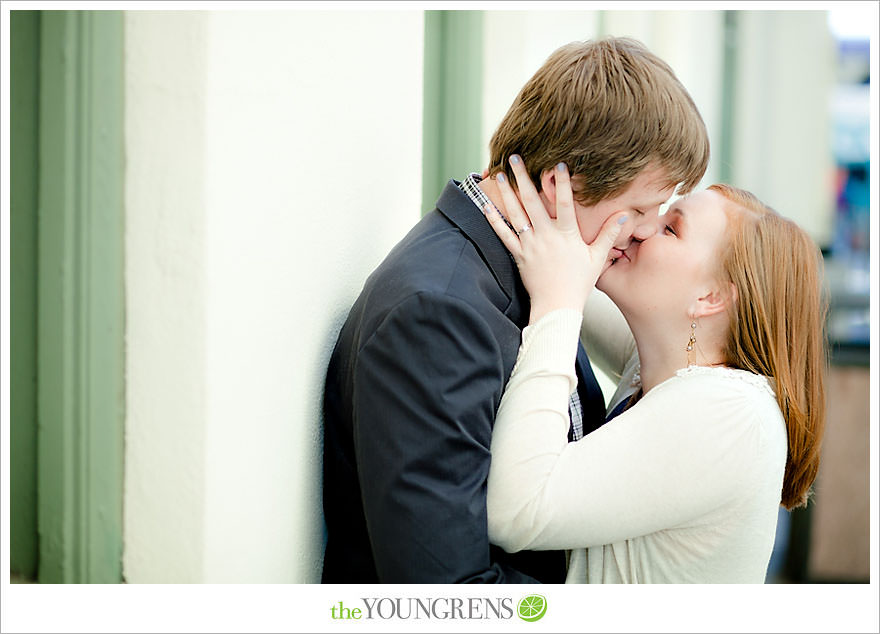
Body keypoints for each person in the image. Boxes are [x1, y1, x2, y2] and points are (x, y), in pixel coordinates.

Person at [321, 36, 710, 583]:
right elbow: (448, 596)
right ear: (561, 186)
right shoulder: (438, 316)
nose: (644, 232)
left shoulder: (543, 267)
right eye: (639, 209)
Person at [484, 155, 827, 583]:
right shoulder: (670, 363)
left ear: (711, 298)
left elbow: (516, 511)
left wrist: (557, 303)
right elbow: (564, 268)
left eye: (670, 227)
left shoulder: (727, 413)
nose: (641, 228)